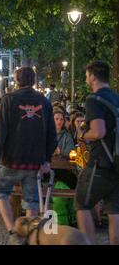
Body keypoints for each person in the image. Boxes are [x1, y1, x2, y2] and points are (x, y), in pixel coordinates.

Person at [0, 67, 57, 244]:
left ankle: (13, 231)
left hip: (10, 160)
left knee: (0, 192)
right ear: (33, 81)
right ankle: (28, 237)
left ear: (16, 80)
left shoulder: (9, 99)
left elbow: (1, 133)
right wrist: (47, 159)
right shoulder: (44, 101)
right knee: (32, 202)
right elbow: (52, 135)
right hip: (34, 162)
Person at [75, 61, 119, 245]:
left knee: (82, 204)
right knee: (115, 213)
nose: (86, 79)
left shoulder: (93, 99)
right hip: (117, 165)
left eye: (87, 75)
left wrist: (83, 133)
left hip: (100, 164)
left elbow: (99, 132)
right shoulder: (115, 98)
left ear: (93, 76)